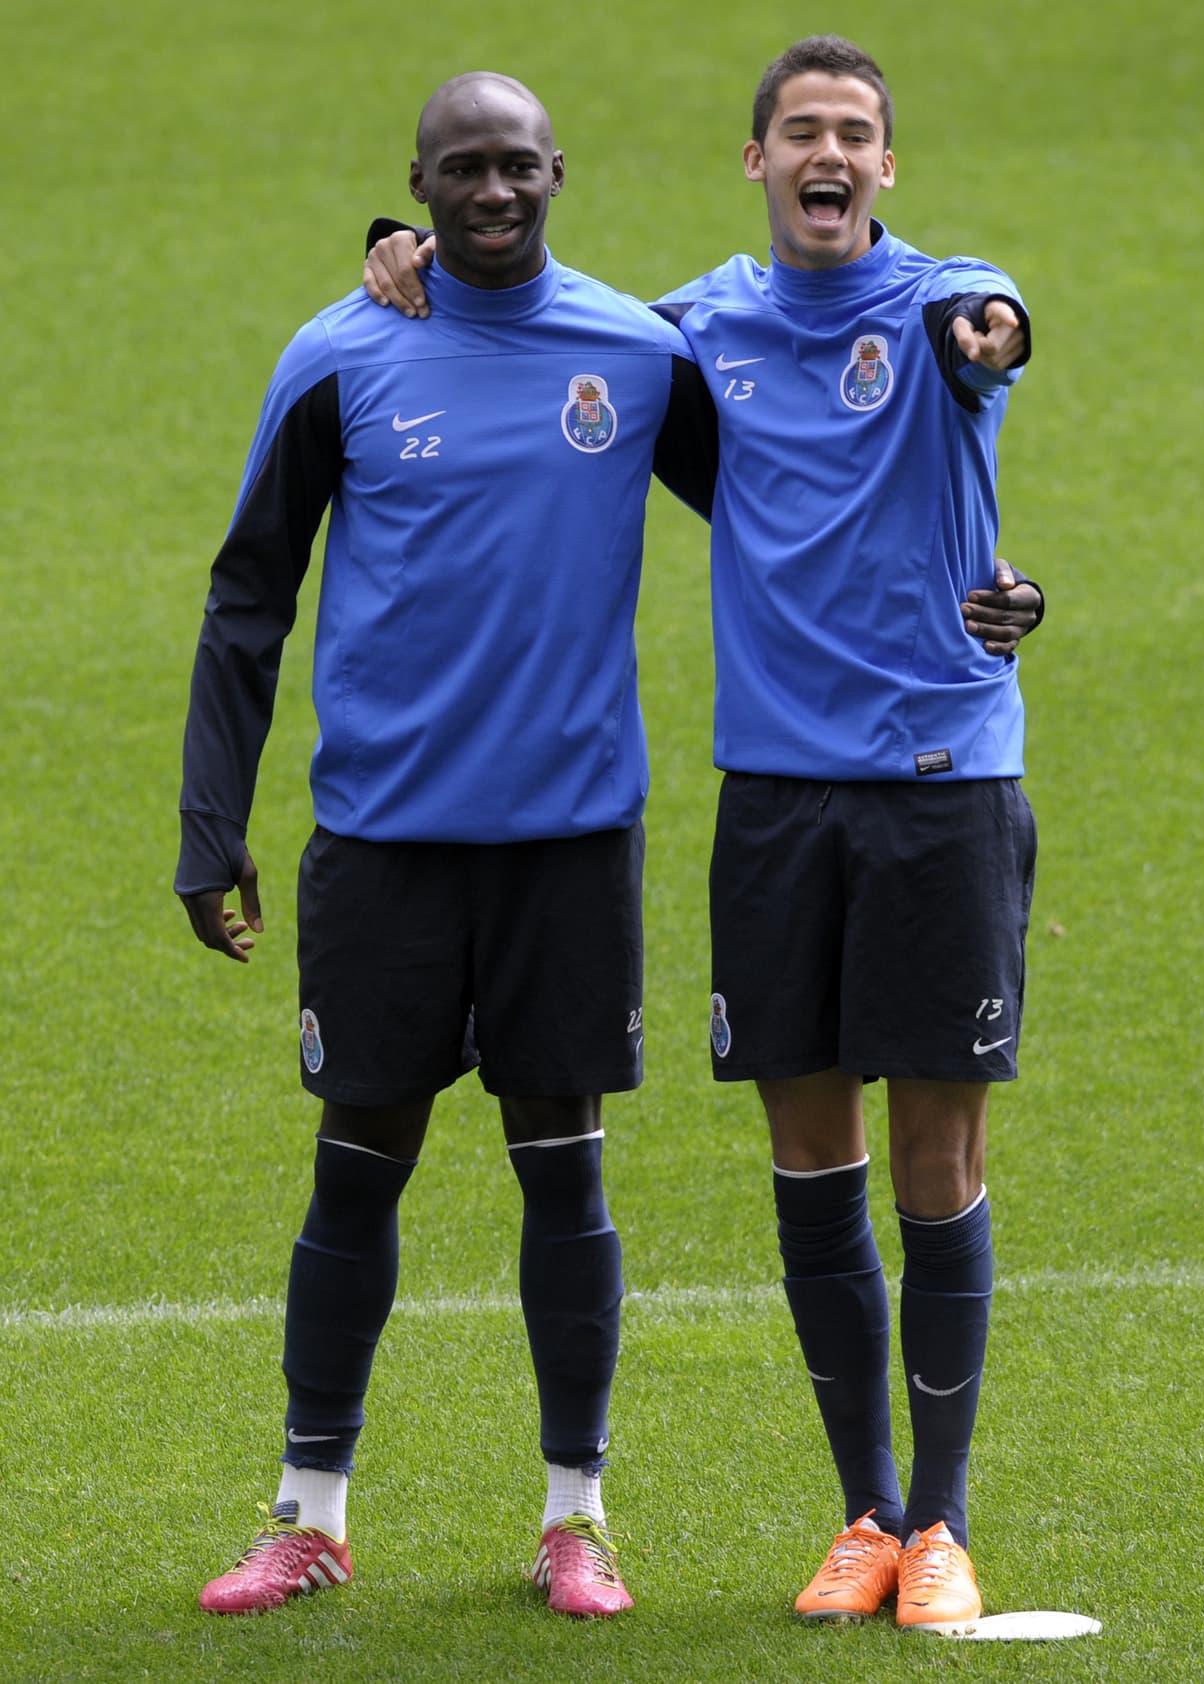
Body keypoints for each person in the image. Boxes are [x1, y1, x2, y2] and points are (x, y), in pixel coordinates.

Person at [364, 36, 1040, 1636]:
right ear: (757, 162)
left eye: (855, 134)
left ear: (886, 167)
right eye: (801, 131)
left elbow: (992, 322)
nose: (829, 154)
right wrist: (394, 249)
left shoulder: (939, 303)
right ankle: (866, 1516)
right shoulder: (695, 330)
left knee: (938, 1158)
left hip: (940, 783)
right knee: (811, 1158)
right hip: (775, 793)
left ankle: (944, 1523)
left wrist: (993, 328)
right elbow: (539, 314)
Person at [176, 70, 716, 1620]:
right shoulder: (341, 354)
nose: (492, 192)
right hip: (385, 845)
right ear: (416, 186)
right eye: (463, 169)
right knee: (356, 1172)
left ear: (560, 173)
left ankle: (575, 1520)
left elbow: (788, 505)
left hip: (567, 844)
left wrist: (971, 584)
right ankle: (308, 1515)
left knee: (566, 1176)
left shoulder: (637, 350)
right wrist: (211, 822)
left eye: (517, 167)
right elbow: (250, 591)